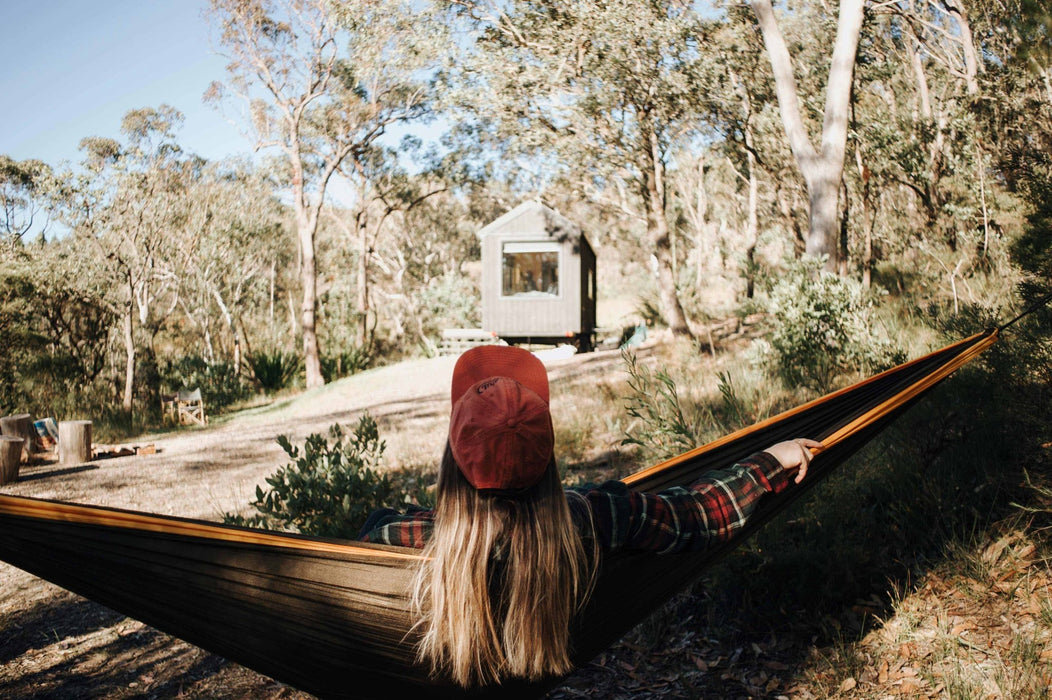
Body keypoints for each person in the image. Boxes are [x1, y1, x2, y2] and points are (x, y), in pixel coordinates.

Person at [359, 345, 822, 688]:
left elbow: (368, 539)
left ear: (451, 465)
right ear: (548, 459)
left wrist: (409, 518)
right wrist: (766, 462)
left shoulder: (404, 537)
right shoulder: (598, 516)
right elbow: (695, 514)